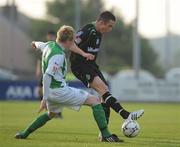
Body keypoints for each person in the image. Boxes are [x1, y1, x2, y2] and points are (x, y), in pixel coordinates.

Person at [15, 25, 122, 142]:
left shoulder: (48, 45)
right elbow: (47, 75)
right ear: (69, 41)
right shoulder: (58, 55)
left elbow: (38, 44)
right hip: (58, 91)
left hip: (52, 92)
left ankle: (25, 133)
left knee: (52, 114)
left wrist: (34, 43)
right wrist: (44, 99)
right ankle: (106, 135)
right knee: (95, 101)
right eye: (73, 41)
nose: (73, 44)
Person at [70, 11, 144, 140]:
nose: (110, 29)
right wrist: (83, 54)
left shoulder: (99, 33)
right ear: (100, 22)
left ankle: (104, 134)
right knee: (103, 91)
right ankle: (126, 115)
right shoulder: (88, 30)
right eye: (109, 26)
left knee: (105, 95)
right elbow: (71, 45)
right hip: (81, 66)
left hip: (91, 66)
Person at [36, 30, 63, 118]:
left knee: (54, 92)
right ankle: (48, 108)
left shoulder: (56, 48)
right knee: (40, 91)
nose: (50, 38)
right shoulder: (46, 46)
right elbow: (40, 60)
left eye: (51, 36)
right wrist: (38, 69)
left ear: (54, 37)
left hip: (53, 73)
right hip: (46, 72)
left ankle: (57, 112)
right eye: (49, 36)